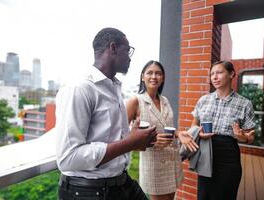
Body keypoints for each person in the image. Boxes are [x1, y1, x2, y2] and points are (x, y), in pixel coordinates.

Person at [55, 27, 158, 200]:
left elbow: (111, 139)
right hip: (88, 192)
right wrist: (130, 143)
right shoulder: (80, 89)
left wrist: (136, 140)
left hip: (120, 183)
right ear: (113, 48)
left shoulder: (114, 86)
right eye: (128, 50)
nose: (130, 57)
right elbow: (68, 158)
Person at [126, 60, 198, 200]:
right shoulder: (135, 101)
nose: (154, 76)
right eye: (150, 73)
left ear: (163, 78)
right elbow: (123, 135)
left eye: (158, 73)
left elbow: (165, 127)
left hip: (172, 161)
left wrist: (178, 134)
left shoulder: (164, 100)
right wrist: (151, 140)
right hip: (153, 164)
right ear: (142, 76)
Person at [189, 61, 256, 200]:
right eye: (212, 74)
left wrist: (241, 137)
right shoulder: (203, 100)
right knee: (204, 196)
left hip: (229, 157)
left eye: (219, 72)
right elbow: (194, 125)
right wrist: (198, 132)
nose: (214, 77)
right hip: (206, 154)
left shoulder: (244, 103)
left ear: (231, 74)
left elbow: (251, 137)